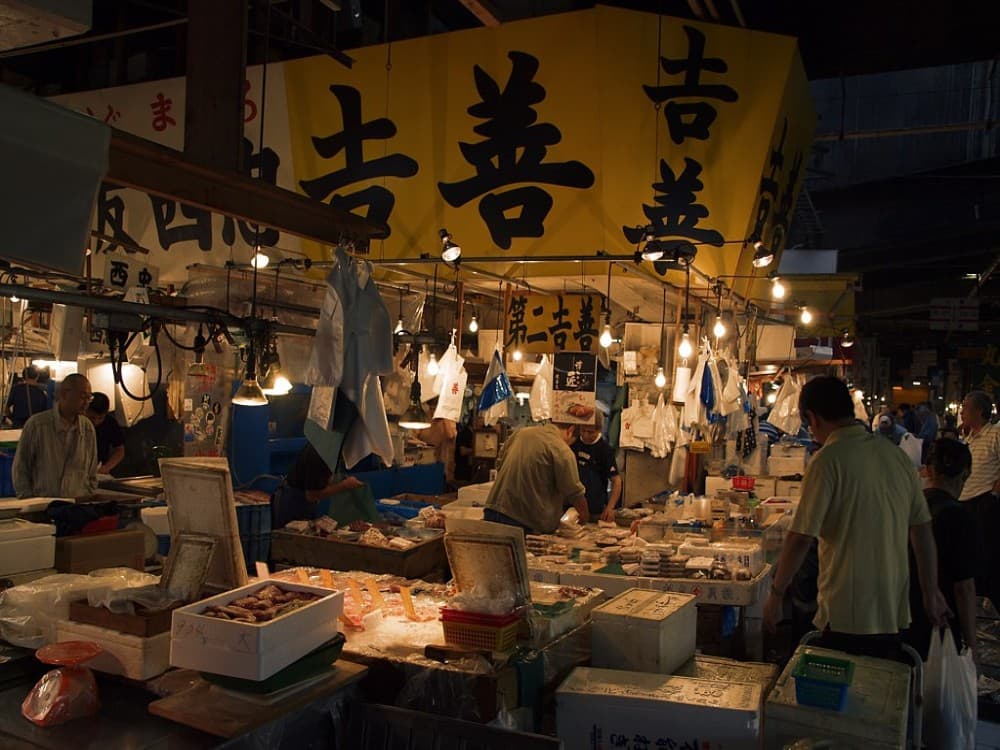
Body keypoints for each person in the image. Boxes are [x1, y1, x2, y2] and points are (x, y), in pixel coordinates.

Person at [763, 376, 949, 657]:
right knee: (880, 692)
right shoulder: (896, 456)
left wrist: (776, 595)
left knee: (843, 694)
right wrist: (931, 591)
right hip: (892, 612)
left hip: (846, 612)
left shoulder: (827, 460)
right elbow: (922, 531)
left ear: (812, 418)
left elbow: (801, 537)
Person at [902, 438, 978, 663]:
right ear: (965, 474)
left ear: (928, 470)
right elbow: (964, 588)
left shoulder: (909, 506)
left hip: (899, 620)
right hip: (939, 626)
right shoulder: (960, 517)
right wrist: (972, 646)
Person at [484, 421, 587, 534]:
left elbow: (499, 464)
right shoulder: (561, 448)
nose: (568, 445)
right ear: (570, 430)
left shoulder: (521, 433)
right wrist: (584, 517)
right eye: (570, 442)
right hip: (522, 521)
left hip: (492, 510)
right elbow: (574, 492)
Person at [12, 373, 98, 499]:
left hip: (77, 507)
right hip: (43, 507)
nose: (86, 403)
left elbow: (91, 471)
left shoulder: (87, 428)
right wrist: (28, 501)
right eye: (82, 397)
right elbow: (21, 468)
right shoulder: (37, 425)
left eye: (89, 398)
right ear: (64, 394)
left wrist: (87, 496)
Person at [957, 390, 1000, 608]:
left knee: (984, 556)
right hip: (964, 502)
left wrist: (993, 493)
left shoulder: (995, 433)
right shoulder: (968, 438)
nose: (962, 411)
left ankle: (986, 601)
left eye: (965, 407)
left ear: (980, 411)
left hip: (984, 503)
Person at [271, 442, 365, 531]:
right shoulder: (318, 453)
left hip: (304, 503)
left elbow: (324, 480)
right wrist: (345, 485)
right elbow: (311, 496)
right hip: (292, 504)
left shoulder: (331, 452)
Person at [572, 411, 622, 523]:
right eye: (583, 430)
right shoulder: (573, 444)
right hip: (571, 509)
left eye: (590, 432)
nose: (585, 435)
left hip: (595, 510)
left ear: (599, 430)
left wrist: (610, 507)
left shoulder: (605, 450)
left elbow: (616, 481)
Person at [86, 392, 125, 476]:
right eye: (92, 418)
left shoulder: (110, 422)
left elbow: (120, 450)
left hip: (99, 471)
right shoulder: (79, 422)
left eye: (100, 418)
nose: (96, 422)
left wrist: (106, 467)